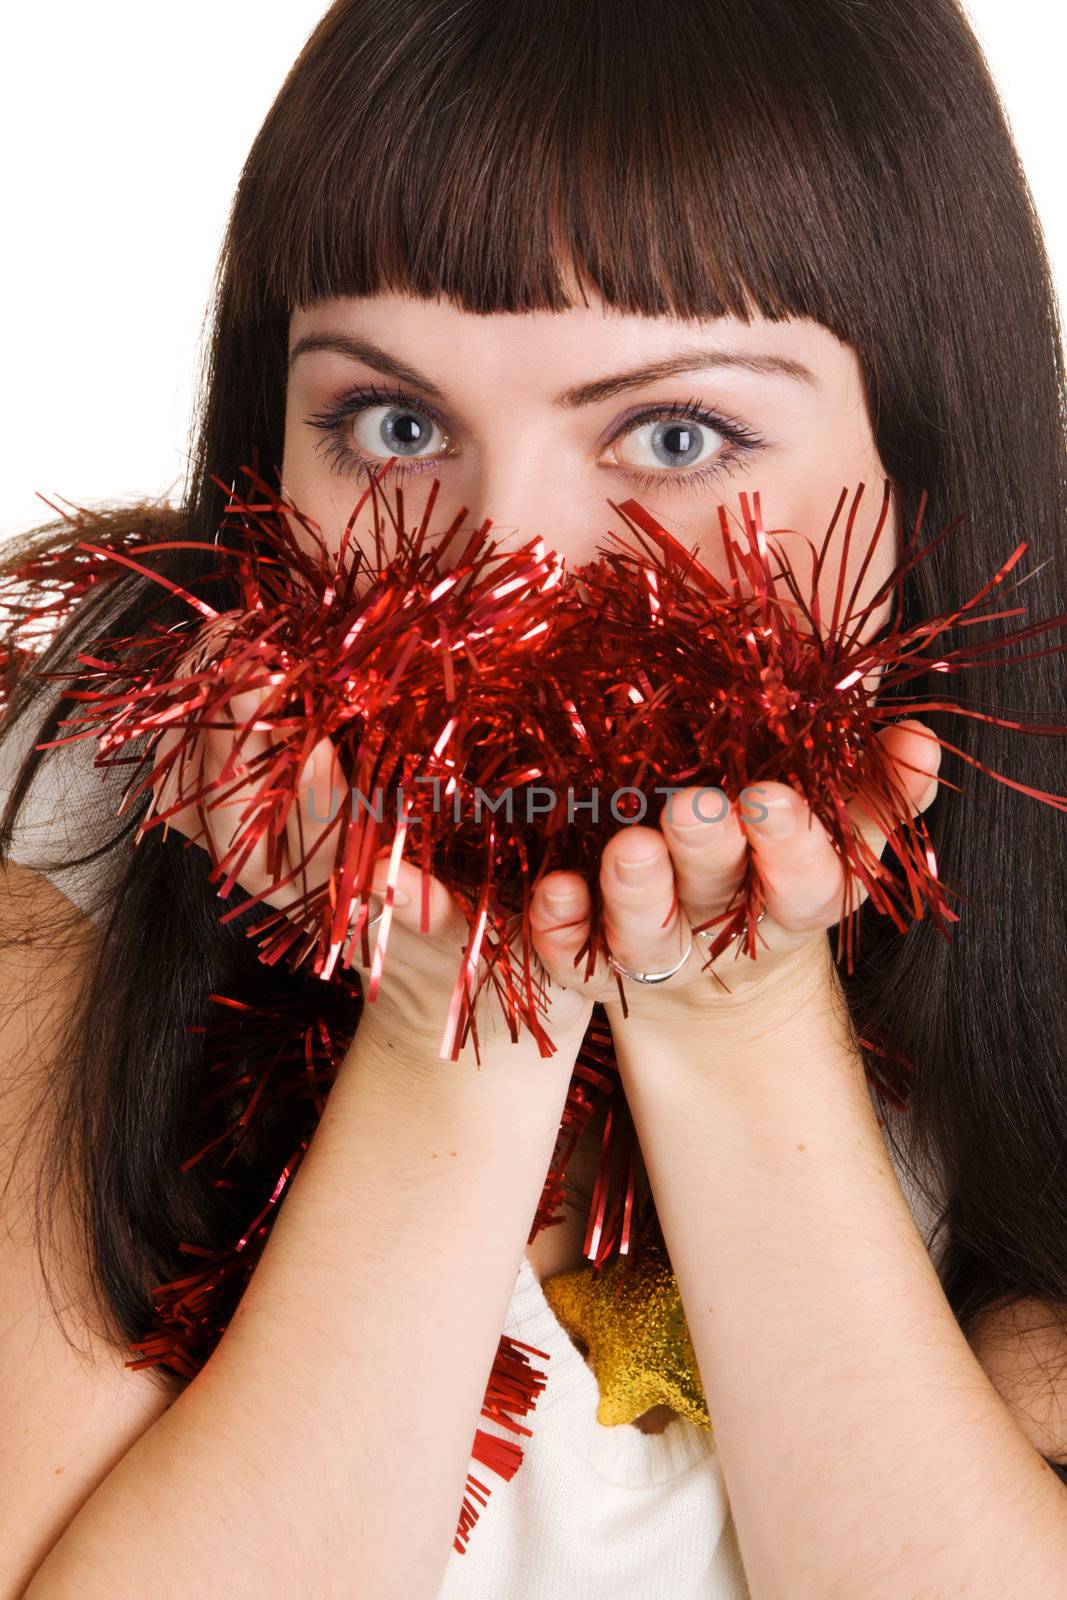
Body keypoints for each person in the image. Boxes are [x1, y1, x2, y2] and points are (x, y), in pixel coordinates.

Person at [2, 1, 1066, 1595]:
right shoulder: (102, 771)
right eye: (395, 424)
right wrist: (455, 1008)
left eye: (677, 433)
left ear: (922, 490)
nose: (507, 569)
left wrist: (729, 1016)